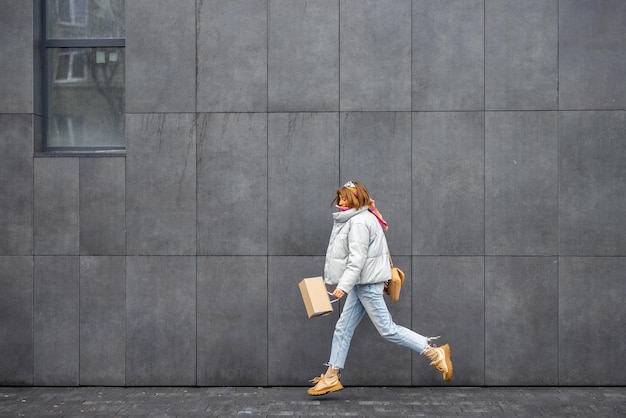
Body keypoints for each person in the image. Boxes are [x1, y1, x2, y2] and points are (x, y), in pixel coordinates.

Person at [307, 181, 453, 396]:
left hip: (365, 285)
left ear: (357, 198)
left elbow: (357, 259)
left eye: (345, 197)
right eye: (340, 197)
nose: (341, 201)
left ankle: (434, 353)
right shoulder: (361, 218)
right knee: (343, 328)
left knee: (387, 329)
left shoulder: (358, 222)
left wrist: (343, 287)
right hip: (361, 283)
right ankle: (331, 376)